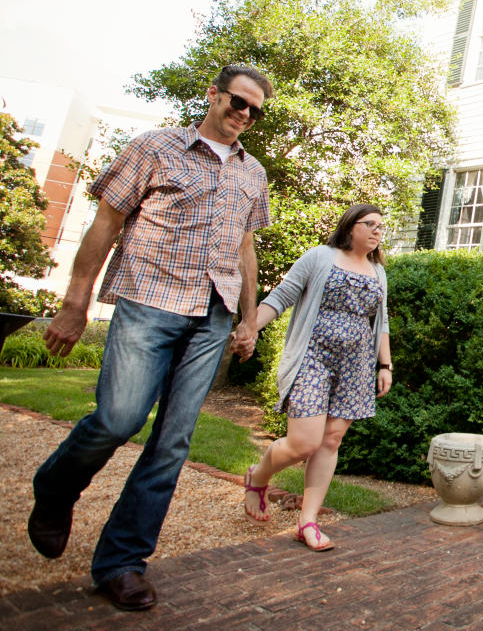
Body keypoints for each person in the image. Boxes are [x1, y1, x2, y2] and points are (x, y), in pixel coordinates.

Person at [28, 64, 272, 611]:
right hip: (150, 301)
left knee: (172, 445)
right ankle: (57, 486)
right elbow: (105, 224)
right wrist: (74, 303)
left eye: (255, 111)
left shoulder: (253, 173)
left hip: (213, 314)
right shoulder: (155, 148)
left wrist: (248, 319)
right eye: (238, 101)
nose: (244, 114)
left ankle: (122, 562)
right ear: (213, 95)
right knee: (118, 419)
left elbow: (245, 248)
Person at [237, 203, 393, 551]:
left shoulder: (378, 272)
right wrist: (249, 329)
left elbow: (381, 323)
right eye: (370, 223)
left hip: (356, 364)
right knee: (303, 443)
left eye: (381, 226)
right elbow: (280, 298)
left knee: (331, 441)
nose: (377, 230)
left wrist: (385, 366)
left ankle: (308, 521)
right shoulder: (319, 257)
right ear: (350, 225)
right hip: (313, 358)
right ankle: (258, 476)